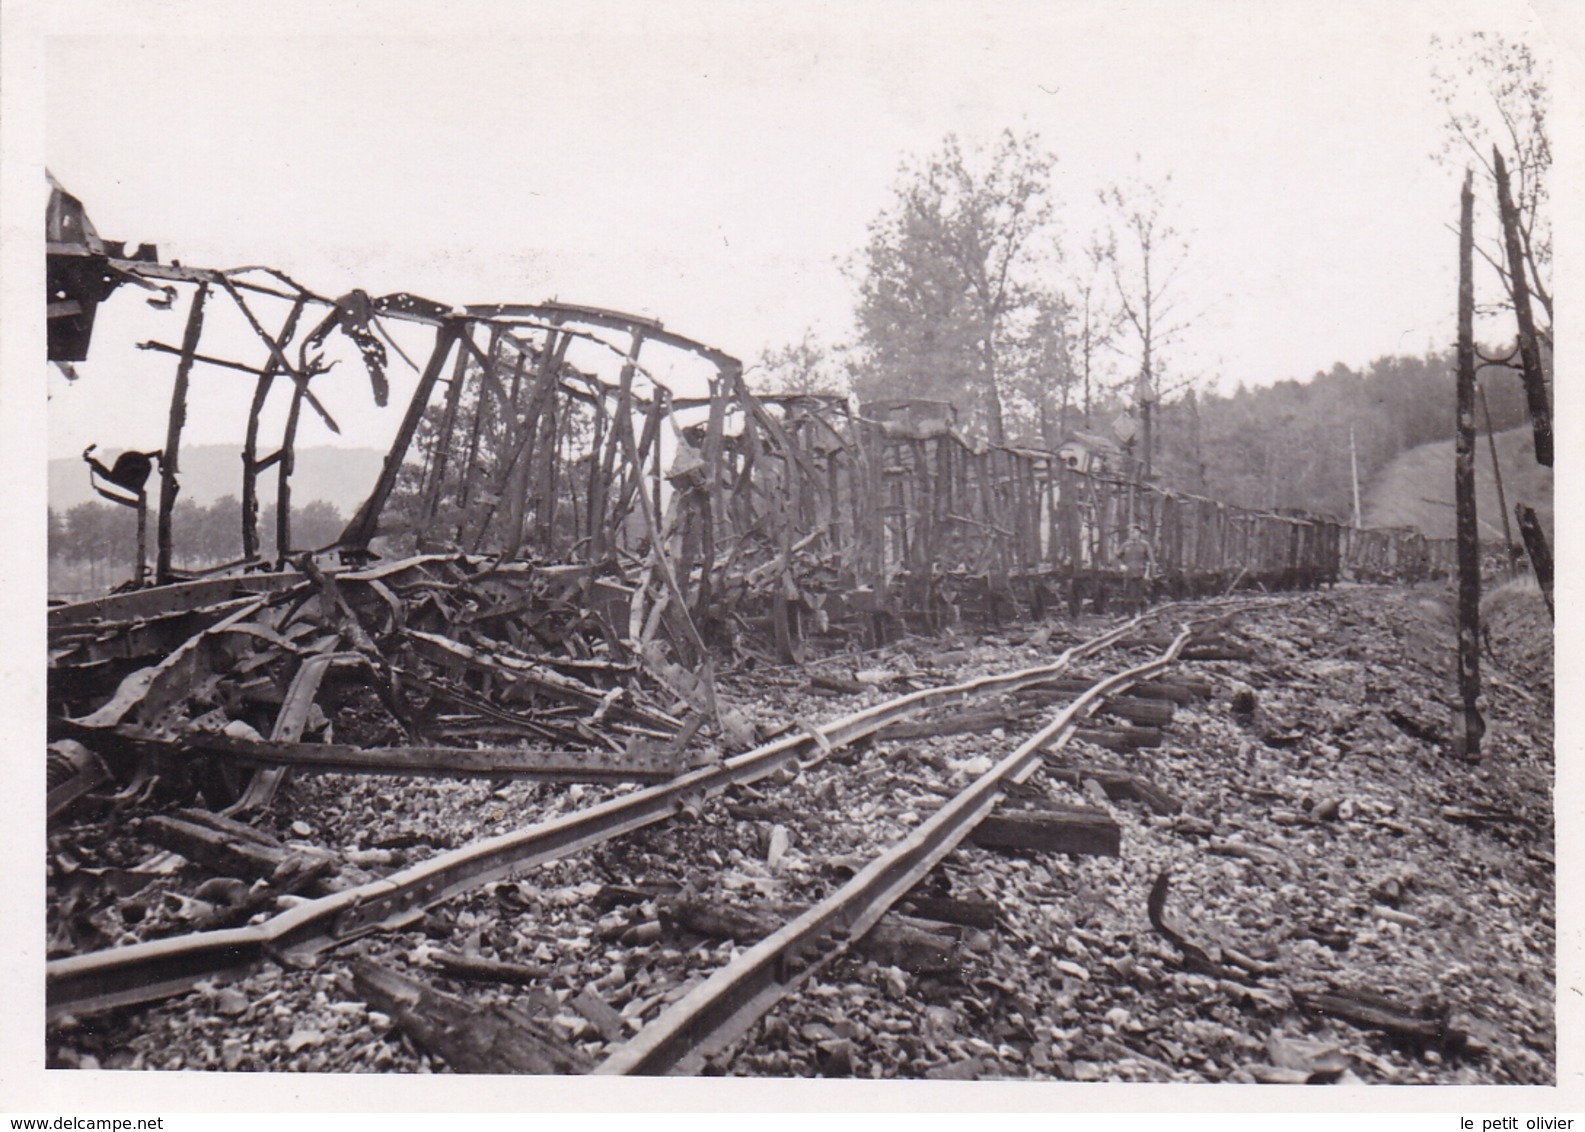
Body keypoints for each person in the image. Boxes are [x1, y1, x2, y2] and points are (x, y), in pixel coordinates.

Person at [1117, 523, 1156, 614]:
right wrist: (1121, 565)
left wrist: (1150, 574)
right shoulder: (1125, 545)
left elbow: (1151, 560)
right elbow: (1117, 557)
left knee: (1142, 595)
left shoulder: (1144, 545)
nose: (1132, 534)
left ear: (1139, 533)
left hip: (1141, 574)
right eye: (1130, 532)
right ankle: (1131, 615)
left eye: (1134, 532)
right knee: (1129, 596)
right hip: (1129, 574)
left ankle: (1143, 615)